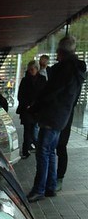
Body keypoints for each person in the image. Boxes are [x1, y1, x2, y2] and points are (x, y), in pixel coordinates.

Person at [27, 35, 86, 202]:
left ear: (61, 52)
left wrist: (35, 108)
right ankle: (50, 187)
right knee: (51, 151)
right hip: (62, 117)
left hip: (52, 116)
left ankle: (39, 189)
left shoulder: (64, 69)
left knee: (43, 152)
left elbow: (50, 92)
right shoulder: (77, 70)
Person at [16, 60, 46, 157]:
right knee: (27, 130)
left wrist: (37, 104)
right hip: (27, 109)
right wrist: (26, 105)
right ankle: (25, 150)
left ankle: (35, 147)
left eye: (32, 69)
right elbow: (20, 95)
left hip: (37, 110)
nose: (30, 71)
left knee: (34, 131)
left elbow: (43, 95)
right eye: (29, 70)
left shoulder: (42, 79)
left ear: (37, 69)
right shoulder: (25, 80)